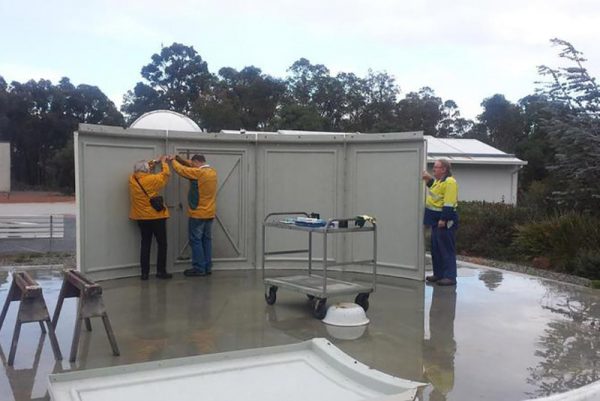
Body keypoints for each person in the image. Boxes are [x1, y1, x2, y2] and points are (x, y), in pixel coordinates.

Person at [171, 154, 217, 277]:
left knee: (196, 241)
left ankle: (199, 268)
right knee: (206, 240)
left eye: (193, 163)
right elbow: (191, 166)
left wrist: (172, 161)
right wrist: (180, 159)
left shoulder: (198, 173)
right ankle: (207, 267)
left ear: (196, 162)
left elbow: (182, 170)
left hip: (198, 213)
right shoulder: (212, 172)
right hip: (210, 213)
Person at [129, 156, 172, 280]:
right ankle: (161, 271)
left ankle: (144, 273)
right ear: (147, 170)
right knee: (162, 244)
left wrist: (154, 162)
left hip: (141, 218)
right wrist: (163, 163)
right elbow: (165, 175)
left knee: (145, 244)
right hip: (157, 217)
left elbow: (141, 169)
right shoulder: (153, 179)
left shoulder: (132, 179)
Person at [422, 159, 458, 286]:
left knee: (446, 249)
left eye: (436, 167)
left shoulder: (450, 182)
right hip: (435, 221)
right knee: (436, 248)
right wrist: (428, 179)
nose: (434, 169)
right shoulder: (439, 181)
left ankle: (450, 276)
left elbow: (449, 201)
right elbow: (435, 190)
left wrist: (444, 219)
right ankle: (438, 274)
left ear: (444, 169)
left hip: (444, 221)